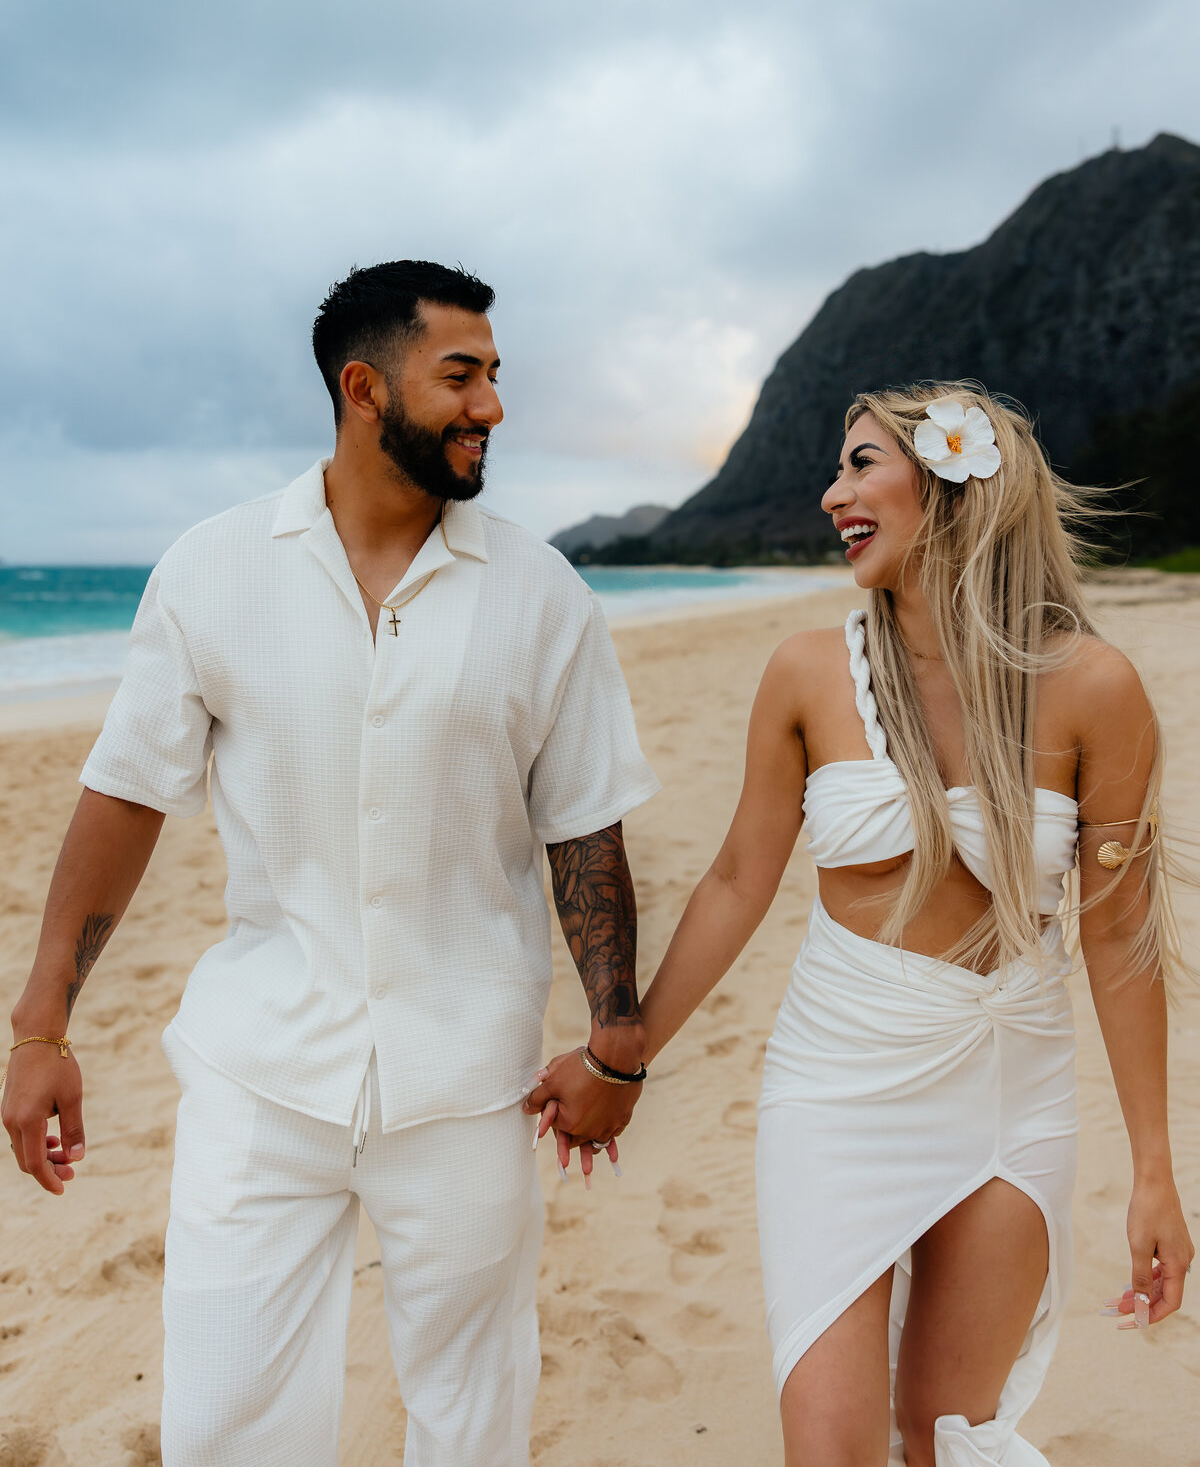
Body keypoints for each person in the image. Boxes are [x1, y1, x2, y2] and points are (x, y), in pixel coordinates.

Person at [3, 260, 659, 1467]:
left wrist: (619, 1038)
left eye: (496, 376)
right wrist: (42, 1022)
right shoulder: (213, 568)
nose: (492, 408)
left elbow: (585, 828)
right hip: (260, 1079)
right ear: (364, 388)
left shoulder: (541, 592)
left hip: (468, 1085)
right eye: (460, 376)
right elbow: (126, 795)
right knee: (218, 1427)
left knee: (471, 1424)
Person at [528, 383, 1193, 1466]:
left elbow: (1118, 938)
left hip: (1007, 1084)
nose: (834, 492)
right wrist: (628, 1052)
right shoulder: (805, 672)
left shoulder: (1094, 689)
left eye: (861, 463)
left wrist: (1156, 1172)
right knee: (829, 1446)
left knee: (943, 1434)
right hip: (838, 1081)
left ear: (953, 481)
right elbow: (741, 879)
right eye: (837, 468)